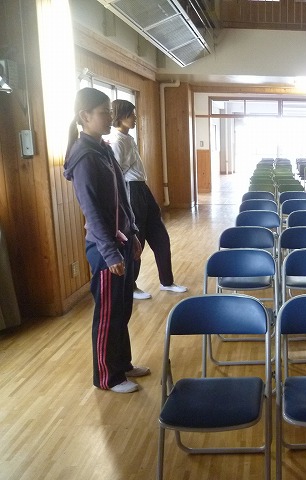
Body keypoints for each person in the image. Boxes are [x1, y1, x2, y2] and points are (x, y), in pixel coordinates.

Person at [63, 88, 150, 394]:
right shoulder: (85, 157)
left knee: (122, 309)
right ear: (85, 116)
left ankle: (122, 364)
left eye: (110, 112)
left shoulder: (103, 149)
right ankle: (106, 377)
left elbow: (122, 199)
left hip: (122, 240)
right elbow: (92, 211)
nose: (109, 118)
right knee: (108, 315)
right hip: (104, 249)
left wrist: (134, 232)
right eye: (104, 113)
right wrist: (111, 253)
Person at [107, 99, 187, 300]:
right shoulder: (117, 141)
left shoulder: (128, 138)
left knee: (160, 236)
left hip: (142, 188)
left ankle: (166, 282)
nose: (135, 118)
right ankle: (131, 286)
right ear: (122, 117)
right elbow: (116, 174)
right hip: (131, 190)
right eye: (132, 115)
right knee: (137, 239)